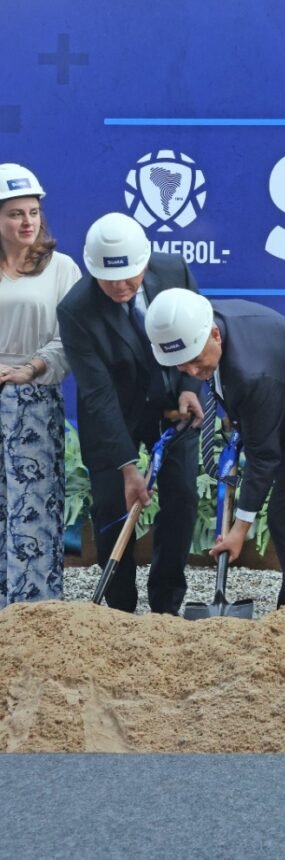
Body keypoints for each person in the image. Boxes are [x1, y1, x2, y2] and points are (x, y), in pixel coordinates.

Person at [144, 291, 285, 606]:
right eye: (182, 365)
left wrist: (238, 531)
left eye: (196, 360)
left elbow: (264, 458)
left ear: (215, 335)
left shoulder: (252, 373)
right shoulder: (200, 321)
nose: (191, 372)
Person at [57, 213, 200, 614]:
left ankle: (166, 605)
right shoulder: (76, 310)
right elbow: (98, 394)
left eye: (129, 276)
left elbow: (198, 334)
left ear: (145, 261)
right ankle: (119, 609)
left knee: (183, 496)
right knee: (111, 506)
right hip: (112, 413)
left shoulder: (173, 271)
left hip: (171, 406)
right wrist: (127, 468)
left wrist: (190, 387)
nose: (121, 286)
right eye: (109, 279)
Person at [0, 164, 81, 607]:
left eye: (33, 212)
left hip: (32, 401)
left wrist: (30, 368)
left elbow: (72, 337)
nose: (27, 222)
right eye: (15, 214)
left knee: (32, 505)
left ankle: (33, 613)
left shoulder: (61, 268)